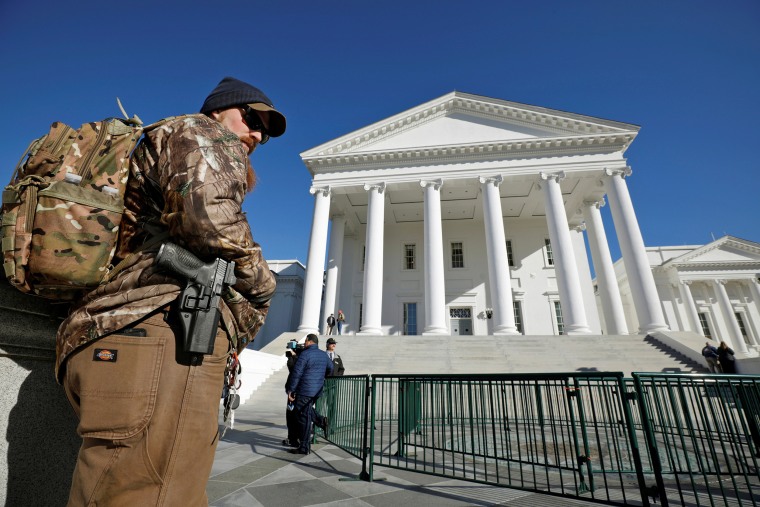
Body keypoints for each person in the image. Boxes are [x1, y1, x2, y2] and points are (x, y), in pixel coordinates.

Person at [55, 76, 286, 505]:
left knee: (130, 488)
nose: (257, 134)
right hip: (160, 333)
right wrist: (263, 283)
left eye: (265, 134)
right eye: (253, 118)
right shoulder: (201, 133)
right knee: (155, 492)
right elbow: (210, 220)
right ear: (218, 111)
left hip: (123, 335)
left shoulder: (164, 141)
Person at [285, 333, 333, 454]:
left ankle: (304, 447)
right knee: (305, 411)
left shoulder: (305, 354)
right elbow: (330, 368)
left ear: (310, 341)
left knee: (303, 418)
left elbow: (297, 373)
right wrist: (321, 378)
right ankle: (321, 421)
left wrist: (291, 390)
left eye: (306, 341)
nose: (304, 343)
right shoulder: (323, 354)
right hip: (316, 390)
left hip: (304, 390)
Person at [283, 340, 304, 448]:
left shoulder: (299, 359)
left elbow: (293, 369)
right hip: (297, 390)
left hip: (295, 391)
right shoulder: (300, 357)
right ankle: (294, 438)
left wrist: (292, 357)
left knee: (292, 415)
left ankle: (294, 439)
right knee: (293, 415)